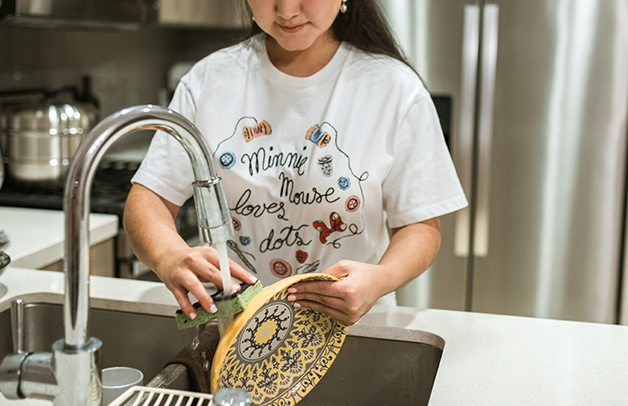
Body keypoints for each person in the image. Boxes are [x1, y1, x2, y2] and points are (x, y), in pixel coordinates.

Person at [123, 0, 468, 325]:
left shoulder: (394, 89)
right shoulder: (209, 81)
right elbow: (149, 199)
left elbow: (420, 227)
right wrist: (168, 255)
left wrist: (381, 278)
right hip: (234, 328)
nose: (287, 10)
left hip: (350, 327)